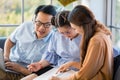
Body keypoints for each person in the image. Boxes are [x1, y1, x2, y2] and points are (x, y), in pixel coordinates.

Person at [50, 5, 113, 80]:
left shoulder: (96, 41)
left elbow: (85, 75)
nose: (76, 32)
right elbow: (91, 67)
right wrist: (71, 63)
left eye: (75, 28)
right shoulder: (100, 33)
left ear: (82, 26)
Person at [0, 5, 57, 80]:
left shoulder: (55, 41)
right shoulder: (25, 27)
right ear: (34, 19)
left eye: (47, 25)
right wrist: (6, 56)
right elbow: (10, 40)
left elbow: (44, 75)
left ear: (53, 25)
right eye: (38, 23)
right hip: (8, 67)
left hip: (28, 75)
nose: (41, 28)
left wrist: (21, 69)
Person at [21, 11, 81, 80]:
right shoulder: (56, 35)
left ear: (75, 26)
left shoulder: (85, 38)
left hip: (76, 71)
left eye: (68, 32)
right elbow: (52, 55)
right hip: (58, 68)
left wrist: (71, 64)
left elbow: (90, 66)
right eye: (62, 32)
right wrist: (40, 65)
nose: (65, 36)